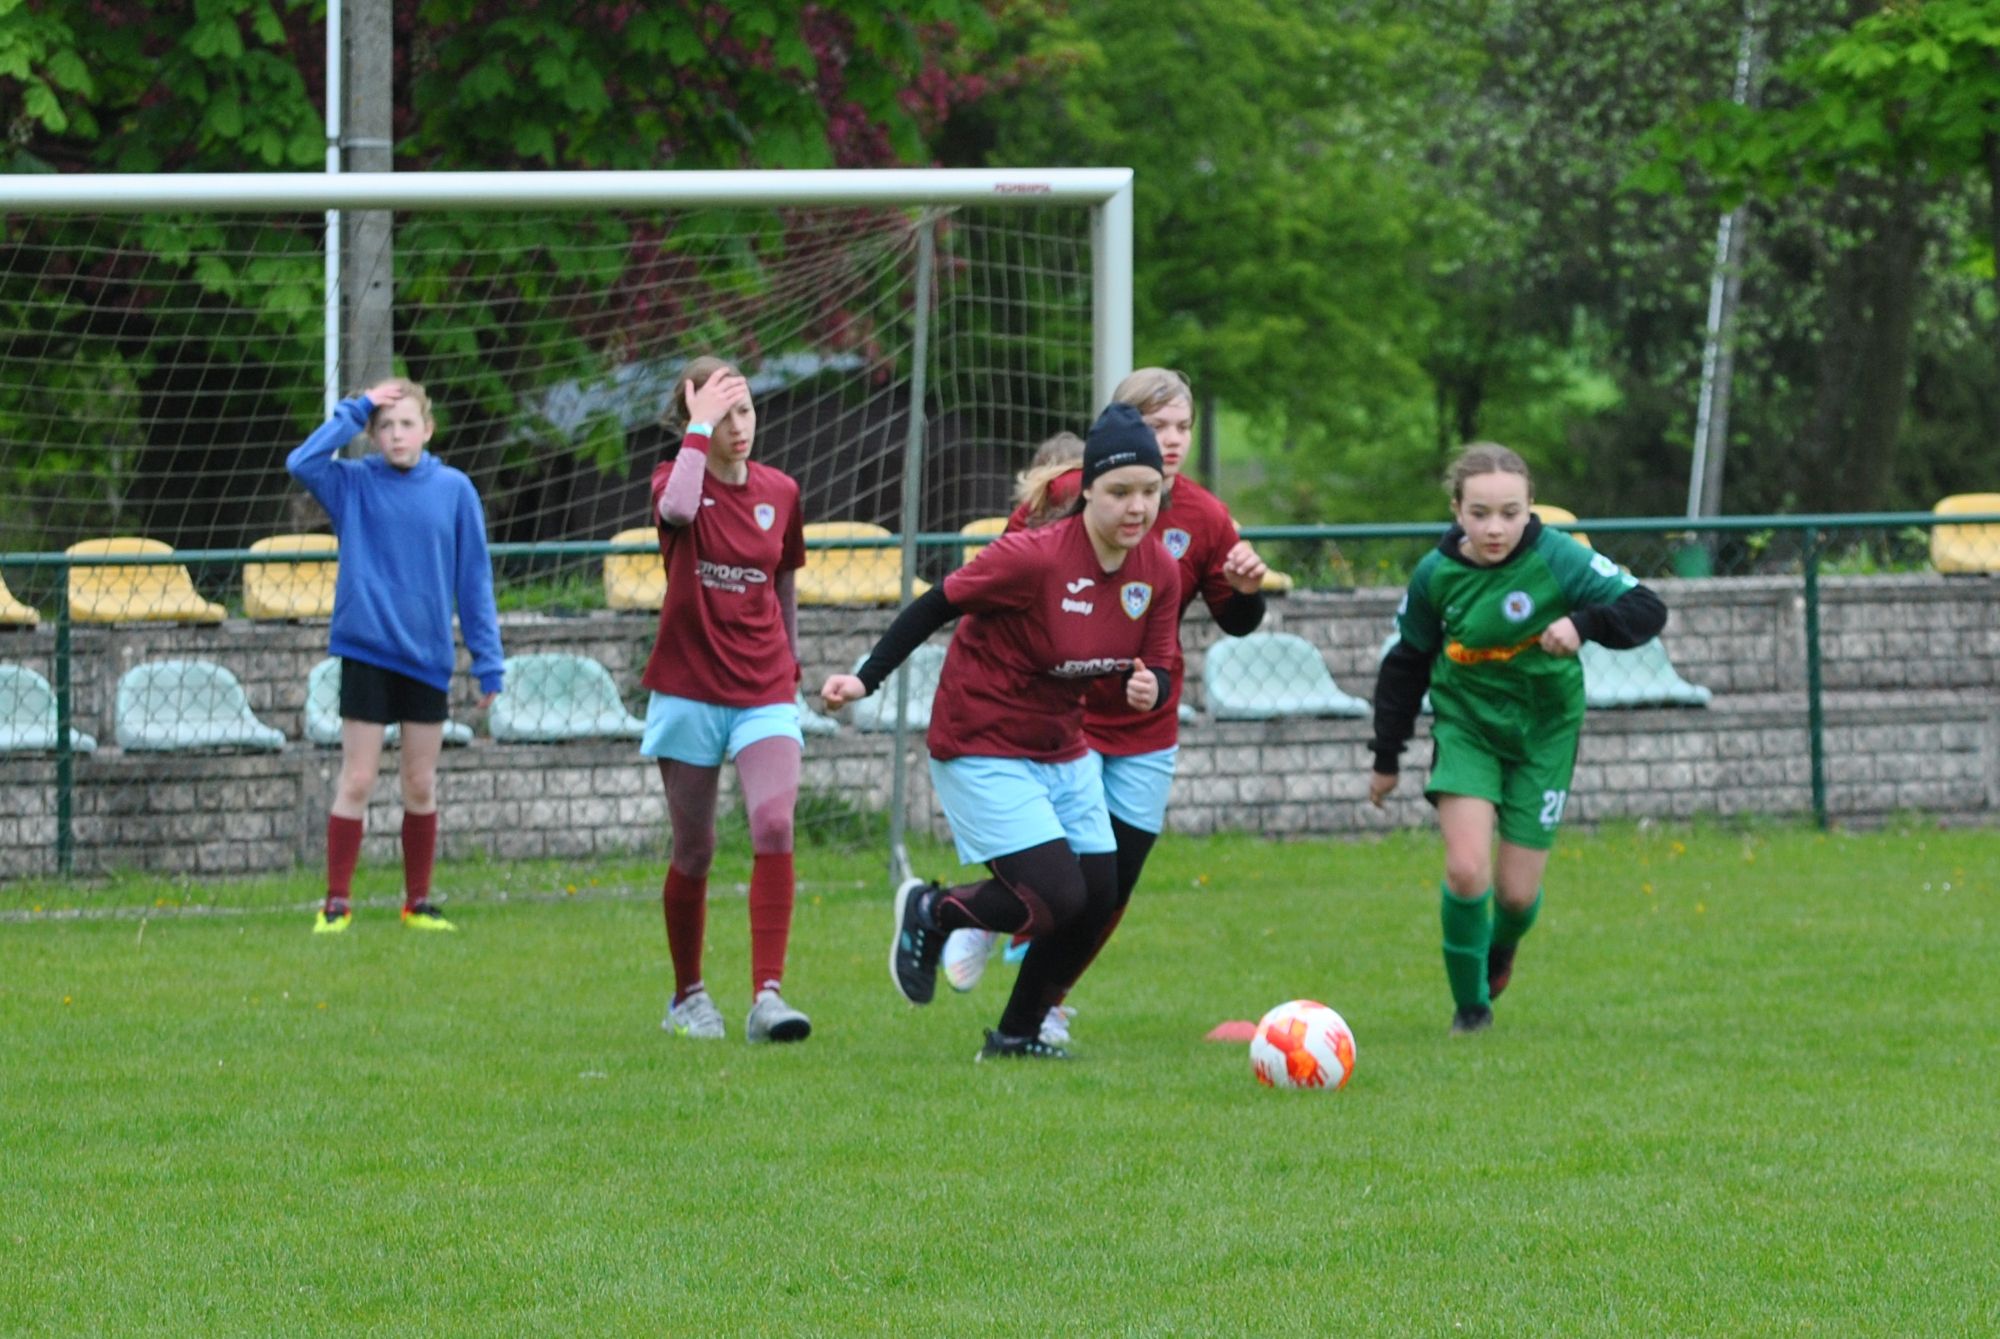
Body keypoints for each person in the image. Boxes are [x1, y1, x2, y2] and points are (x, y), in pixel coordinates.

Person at [820, 403, 1182, 1061]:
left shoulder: (1157, 567)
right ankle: (933, 911)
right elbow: (936, 603)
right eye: (1120, 491)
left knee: (1099, 894)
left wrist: (1151, 685)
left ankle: (1016, 1033)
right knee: (1053, 897)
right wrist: (864, 680)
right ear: (1088, 490)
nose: (1137, 507)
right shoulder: (1033, 557)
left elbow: (1159, 658)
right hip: (980, 735)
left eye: (1150, 492)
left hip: (1059, 742)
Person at [940, 371, 1270, 1054]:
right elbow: (1003, 581)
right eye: (1157, 426)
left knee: (1109, 892)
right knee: (1058, 879)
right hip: (1070, 725)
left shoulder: (1206, 517)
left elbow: (1235, 621)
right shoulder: (1064, 497)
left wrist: (1246, 592)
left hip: (1148, 730)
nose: (1172, 440)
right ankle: (982, 916)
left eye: (1183, 427)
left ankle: (1037, 1011)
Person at [1368, 443, 1666, 1034]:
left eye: (1510, 512)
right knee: (1466, 871)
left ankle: (1501, 948)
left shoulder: (1559, 559)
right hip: (1468, 728)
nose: (1495, 527)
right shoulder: (1436, 574)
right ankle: (1471, 1010)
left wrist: (1583, 625)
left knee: (1513, 895)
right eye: (1479, 513)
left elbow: (1647, 609)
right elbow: (1406, 663)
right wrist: (1386, 755)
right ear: (1457, 511)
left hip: (1544, 734)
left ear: (1531, 508)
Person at [288, 378, 504, 935]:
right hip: (365, 652)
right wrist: (356, 408)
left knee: (419, 783)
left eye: (407, 423)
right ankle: (336, 903)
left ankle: (418, 903)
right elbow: (302, 460)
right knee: (356, 779)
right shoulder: (352, 484)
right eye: (385, 426)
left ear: (427, 430)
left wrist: (489, 661)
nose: (396, 434)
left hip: (427, 657)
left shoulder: (455, 490)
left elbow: (474, 582)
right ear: (372, 435)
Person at [641, 357, 813, 1045]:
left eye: (746, 409)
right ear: (696, 422)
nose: (740, 426)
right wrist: (699, 423)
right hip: (687, 689)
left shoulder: (782, 491)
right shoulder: (672, 479)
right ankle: (688, 995)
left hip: (765, 686)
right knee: (696, 850)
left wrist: (793, 665)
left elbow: (785, 582)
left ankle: (768, 996)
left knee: (773, 822)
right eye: (723, 413)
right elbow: (679, 507)